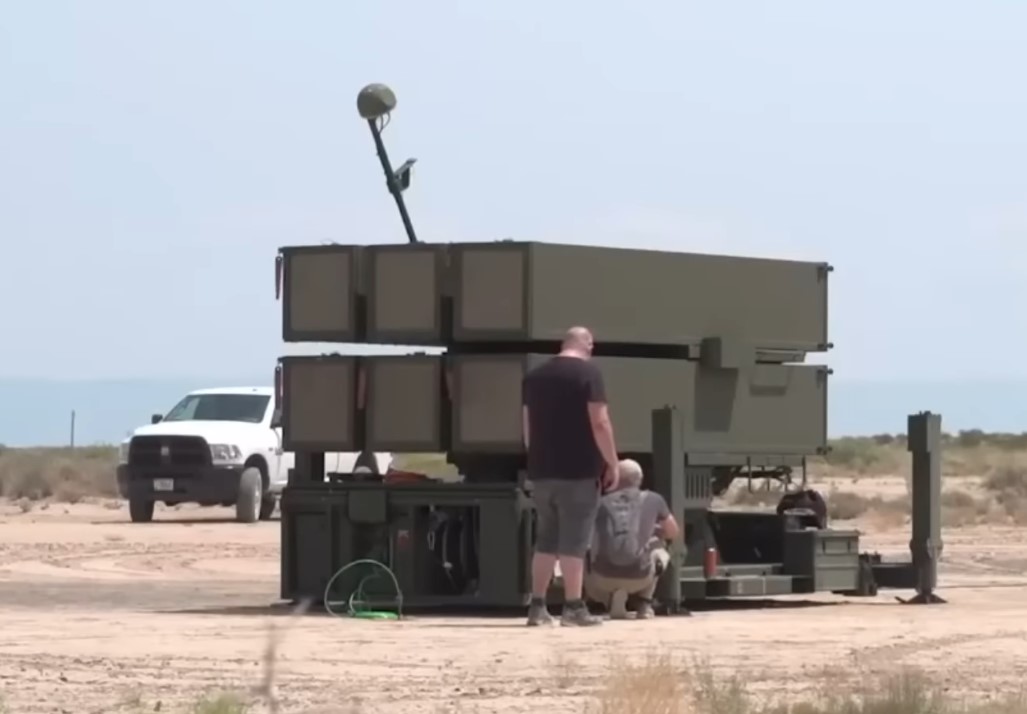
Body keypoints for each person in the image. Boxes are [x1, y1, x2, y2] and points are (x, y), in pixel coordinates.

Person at [521, 326, 620, 627]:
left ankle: (537, 607)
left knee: (546, 541)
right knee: (574, 542)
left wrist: (536, 457)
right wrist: (612, 462)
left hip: (542, 471)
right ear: (587, 344)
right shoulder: (589, 374)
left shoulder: (534, 377)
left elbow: (527, 426)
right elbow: (600, 422)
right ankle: (573, 607)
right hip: (579, 471)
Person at [585, 458, 679, 620]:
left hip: (601, 578)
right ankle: (644, 603)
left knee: (589, 548)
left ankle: (609, 599)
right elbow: (673, 531)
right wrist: (653, 532)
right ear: (640, 480)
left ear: (615, 478)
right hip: (640, 577)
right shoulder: (654, 499)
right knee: (660, 546)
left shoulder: (599, 502)